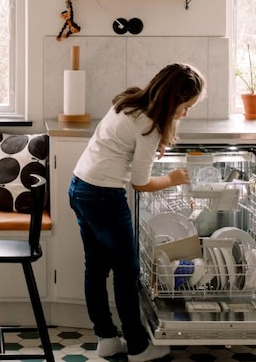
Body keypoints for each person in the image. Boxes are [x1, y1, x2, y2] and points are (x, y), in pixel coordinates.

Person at [68, 62, 207, 362]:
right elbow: (141, 183)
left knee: (95, 267)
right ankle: (137, 346)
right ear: (172, 100)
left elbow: (124, 142)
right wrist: (173, 179)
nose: (186, 113)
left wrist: (152, 147)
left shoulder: (130, 100)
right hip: (104, 195)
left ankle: (106, 339)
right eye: (186, 106)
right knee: (126, 272)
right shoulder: (149, 126)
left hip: (81, 186)